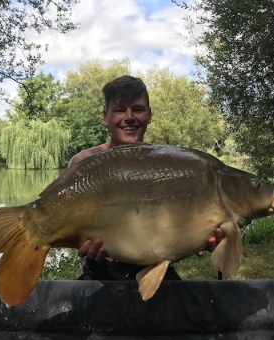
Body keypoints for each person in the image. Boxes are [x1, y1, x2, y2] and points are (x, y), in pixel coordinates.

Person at [68, 75, 223, 280]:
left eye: (138, 109)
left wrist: (202, 233)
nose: (129, 117)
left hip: (159, 267)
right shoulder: (83, 163)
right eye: (120, 109)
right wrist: (79, 242)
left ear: (150, 115)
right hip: (101, 272)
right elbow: (70, 225)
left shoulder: (168, 166)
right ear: (106, 117)